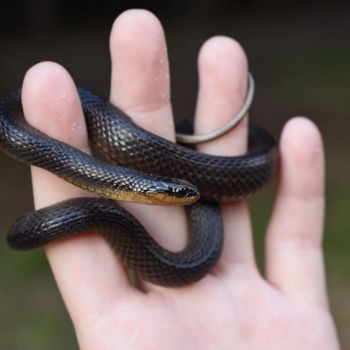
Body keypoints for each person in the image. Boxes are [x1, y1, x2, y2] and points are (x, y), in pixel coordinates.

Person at [21, 9, 340, 350]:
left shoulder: (188, 230)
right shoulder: (118, 178)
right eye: (176, 193)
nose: (187, 194)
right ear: (158, 191)